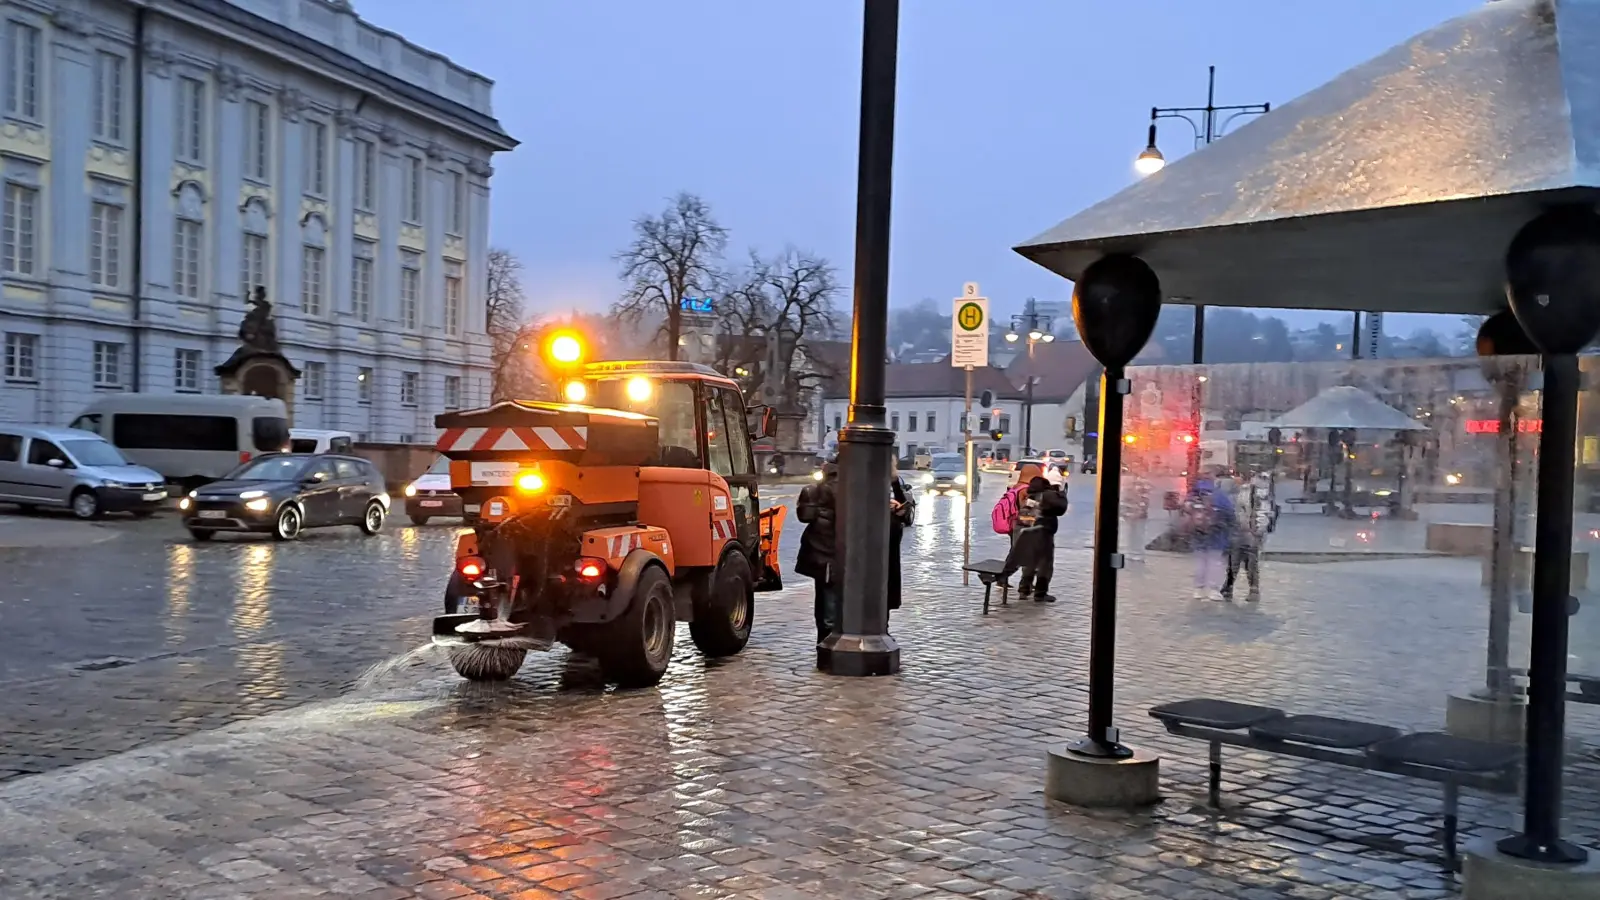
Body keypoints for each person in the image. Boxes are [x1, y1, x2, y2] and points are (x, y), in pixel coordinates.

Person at [1005, 475, 1067, 602]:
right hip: (1044, 533)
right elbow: (1061, 509)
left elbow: (1025, 513)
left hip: (1029, 533)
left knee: (1030, 563)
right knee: (1045, 564)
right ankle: (1040, 593)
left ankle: (1024, 590)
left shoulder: (1031, 496)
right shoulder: (1050, 495)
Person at [796, 462, 838, 641]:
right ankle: (827, 641)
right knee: (828, 602)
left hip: (822, 553)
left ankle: (824, 641)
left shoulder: (826, 486)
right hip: (831, 553)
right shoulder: (841, 486)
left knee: (824, 600)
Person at [1221, 474, 1272, 601]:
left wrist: (1259, 529)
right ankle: (1229, 586)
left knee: (1250, 562)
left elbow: (1262, 510)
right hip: (1237, 531)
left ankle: (1253, 590)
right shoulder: (1233, 490)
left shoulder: (1256, 490)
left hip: (1251, 532)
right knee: (1234, 560)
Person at [1186, 475, 1236, 600]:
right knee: (1215, 562)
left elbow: (1185, 511)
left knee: (1200, 562)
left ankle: (1198, 589)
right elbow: (1230, 514)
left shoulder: (1193, 496)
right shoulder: (1219, 495)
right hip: (1217, 535)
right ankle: (1213, 590)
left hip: (1198, 535)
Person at [888, 459, 915, 626]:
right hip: (876, 542)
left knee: (887, 589)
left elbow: (905, 512)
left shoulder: (894, 481)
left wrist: (900, 510)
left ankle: (884, 625)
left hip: (891, 541)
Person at [1121, 474, 1150, 563]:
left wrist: (1137, 513)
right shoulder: (1127, 491)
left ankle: (1138, 553)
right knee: (1130, 534)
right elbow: (1123, 504)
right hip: (1129, 516)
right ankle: (1130, 552)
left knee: (1139, 535)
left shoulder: (1144, 492)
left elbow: (1145, 505)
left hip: (1139, 517)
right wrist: (1125, 514)